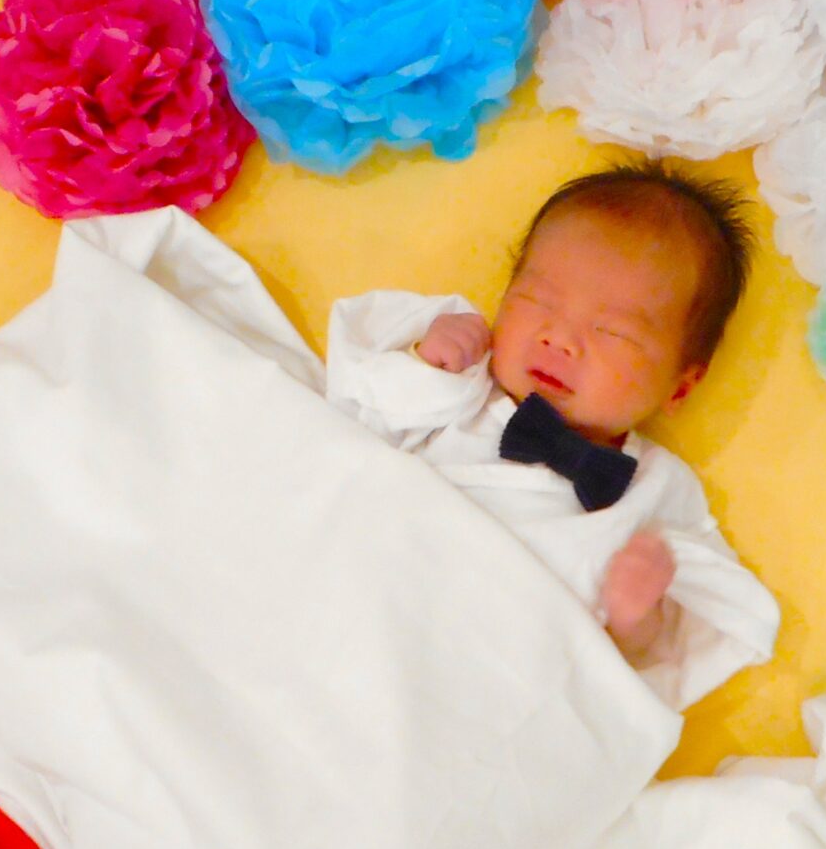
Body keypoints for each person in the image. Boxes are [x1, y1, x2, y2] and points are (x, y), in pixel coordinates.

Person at [323, 159, 779, 710]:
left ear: (680, 387)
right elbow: (353, 425)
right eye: (537, 301)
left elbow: (677, 647)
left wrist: (636, 618)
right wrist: (426, 362)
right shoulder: (462, 392)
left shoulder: (657, 489)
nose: (558, 338)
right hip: (371, 602)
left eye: (612, 331)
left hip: (491, 680)